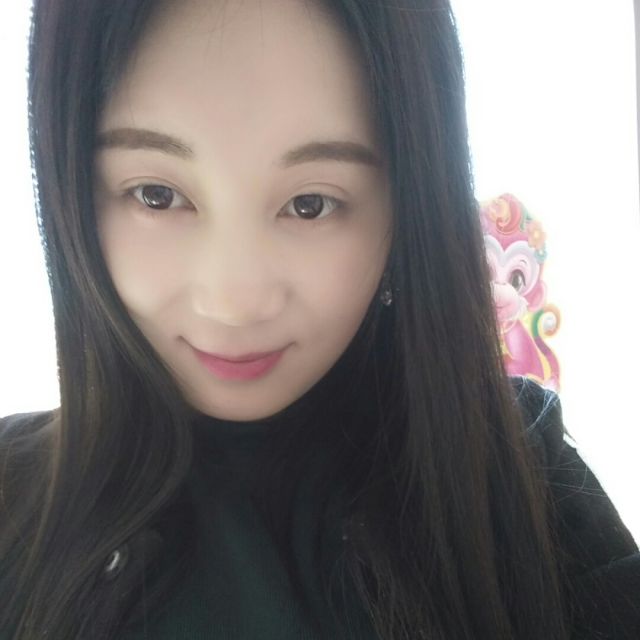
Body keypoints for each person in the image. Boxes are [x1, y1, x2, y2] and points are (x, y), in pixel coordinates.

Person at [1, 0, 638, 638]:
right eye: (156, 195)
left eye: (311, 204)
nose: (234, 302)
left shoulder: (510, 470)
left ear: (406, 208)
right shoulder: (11, 492)